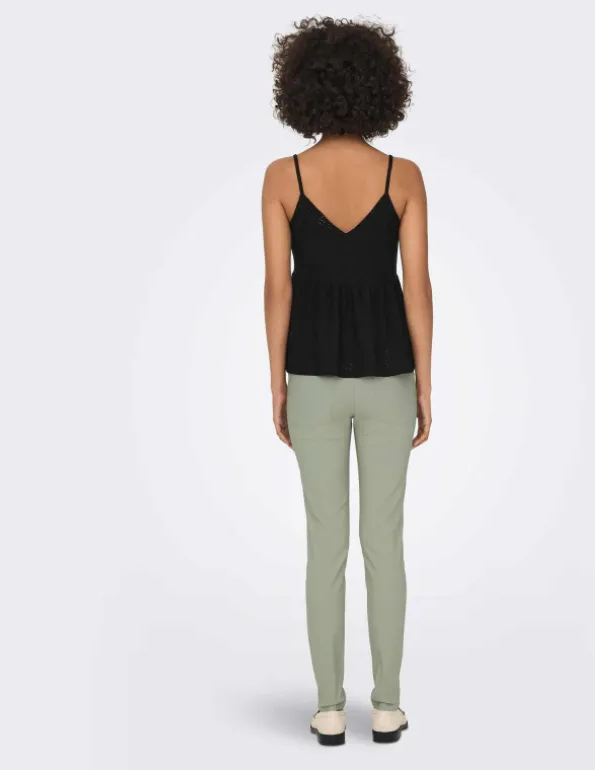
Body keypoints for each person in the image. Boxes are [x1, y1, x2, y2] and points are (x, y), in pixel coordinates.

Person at [261, 16, 433, 746]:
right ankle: (387, 706)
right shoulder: (403, 176)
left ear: (300, 87)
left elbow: (278, 288)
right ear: (380, 89)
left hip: (313, 378)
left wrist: (277, 384)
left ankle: (329, 708)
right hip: (390, 375)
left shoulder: (283, 177)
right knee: (384, 544)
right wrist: (426, 383)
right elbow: (417, 287)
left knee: (324, 544)